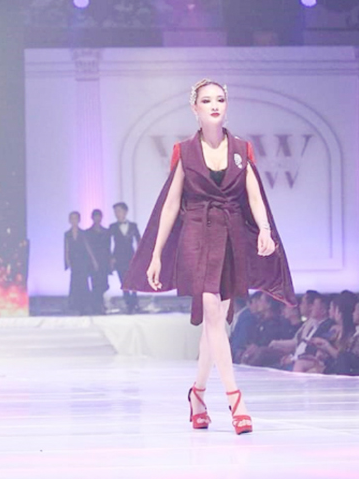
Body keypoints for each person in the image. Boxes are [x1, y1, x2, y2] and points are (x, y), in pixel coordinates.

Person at [123, 78, 295, 435]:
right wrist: (156, 254)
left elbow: (255, 196)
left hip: (231, 237)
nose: (214, 105)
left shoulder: (242, 149)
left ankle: (198, 394)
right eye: (206, 100)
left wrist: (264, 229)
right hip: (196, 236)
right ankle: (235, 399)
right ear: (195, 108)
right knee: (212, 312)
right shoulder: (184, 151)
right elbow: (171, 204)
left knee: (214, 323)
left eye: (220, 99)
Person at [109, 202, 141, 313]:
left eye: (119, 211)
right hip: (118, 257)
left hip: (131, 256)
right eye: (115, 212)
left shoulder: (133, 226)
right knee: (123, 281)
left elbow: (139, 241)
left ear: (125, 211)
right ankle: (129, 304)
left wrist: (140, 256)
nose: (117, 213)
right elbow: (108, 243)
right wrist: (111, 257)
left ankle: (134, 302)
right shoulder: (113, 227)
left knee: (133, 280)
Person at [64, 211, 93, 315]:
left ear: (79, 220)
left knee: (84, 282)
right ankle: (75, 305)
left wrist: (92, 260)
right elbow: (66, 248)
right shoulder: (67, 234)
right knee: (74, 283)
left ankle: (85, 306)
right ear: (69, 220)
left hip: (83, 260)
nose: (74, 220)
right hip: (74, 261)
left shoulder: (83, 233)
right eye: (72, 218)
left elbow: (88, 247)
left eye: (75, 218)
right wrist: (67, 261)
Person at [84, 209, 111, 315]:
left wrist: (110, 260)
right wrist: (93, 260)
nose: (97, 218)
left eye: (99, 216)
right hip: (93, 261)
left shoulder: (106, 231)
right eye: (95, 216)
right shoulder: (88, 232)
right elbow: (88, 248)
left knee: (104, 284)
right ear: (92, 218)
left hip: (104, 260)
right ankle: (98, 306)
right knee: (96, 284)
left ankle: (97, 305)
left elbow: (108, 247)